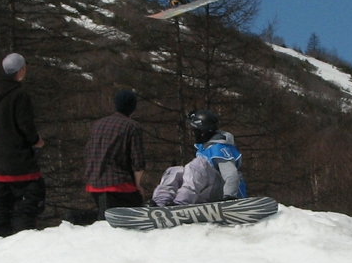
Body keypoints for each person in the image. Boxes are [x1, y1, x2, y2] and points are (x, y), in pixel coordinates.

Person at [0, 53, 45, 238]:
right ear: (20, 70)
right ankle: (23, 235)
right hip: (19, 157)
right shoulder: (20, 95)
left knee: (0, 201)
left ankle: (0, 237)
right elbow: (25, 124)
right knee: (30, 195)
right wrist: (36, 140)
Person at [152, 110, 247, 206]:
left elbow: (232, 175)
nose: (194, 134)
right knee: (174, 171)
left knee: (197, 165)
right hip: (209, 191)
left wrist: (229, 196)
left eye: (195, 131)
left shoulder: (219, 148)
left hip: (225, 194)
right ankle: (161, 203)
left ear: (203, 131)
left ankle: (182, 202)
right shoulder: (205, 147)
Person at [84, 89, 146, 220]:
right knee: (128, 216)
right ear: (133, 107)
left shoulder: (97, 124)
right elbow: (138, 163)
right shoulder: (132, 127)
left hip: (93, 184)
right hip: (118, 185)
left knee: (105, 216)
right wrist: (138, 185)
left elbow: (88, 152)